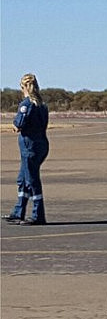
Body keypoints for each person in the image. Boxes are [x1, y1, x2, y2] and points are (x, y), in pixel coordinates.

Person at [2, 74, 49, 225]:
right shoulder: (42, 105)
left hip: (30, 146)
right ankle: (18, 211)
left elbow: (19, 124)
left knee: (32, 179)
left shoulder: (27, 104)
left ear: (24, 87)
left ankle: (38, 214)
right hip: (40, 144)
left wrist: (15, 124)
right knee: (23, 179)